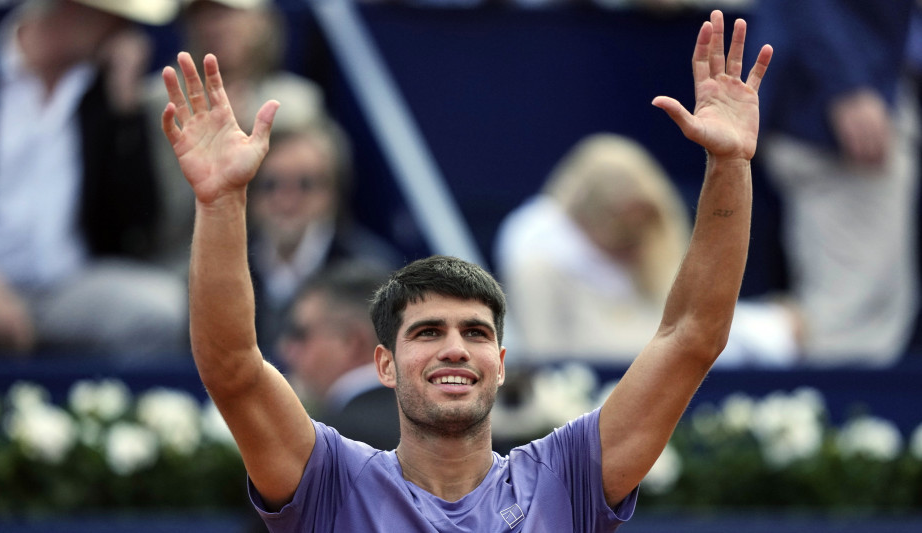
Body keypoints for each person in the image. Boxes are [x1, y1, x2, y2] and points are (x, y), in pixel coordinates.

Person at [160, 8, 770, 530]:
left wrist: (730, 164)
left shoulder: (568, 479)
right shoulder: (329, 480)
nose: (455, 348)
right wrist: (220, 202)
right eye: (428, 332)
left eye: (475, 333)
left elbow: (692, 334)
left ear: (501, 365)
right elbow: (233, 366)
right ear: (383, 363)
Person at [0, 0, 186, 358]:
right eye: (115, 18)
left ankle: (102, 410)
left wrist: (126, 110)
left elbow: (138, 224)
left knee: (162, 309)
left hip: (68, 285)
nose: (125, 32)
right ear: (70, 10)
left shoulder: (107, 90)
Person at [494, 133, 801, 366]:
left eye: (641, 233)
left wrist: (767, 327)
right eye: (623, 236)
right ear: (588, 219)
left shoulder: (646, 246)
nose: (636, 248)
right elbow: (558, 370)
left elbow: (672, 316)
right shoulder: (539, 267)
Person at [749, 0, 920, 366]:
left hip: (856, 96)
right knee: (852, 320)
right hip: (835, 120)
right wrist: (847, 83)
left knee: (872, 308)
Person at [144, 0, 326, 274]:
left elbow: (319, 204)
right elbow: (152, 215)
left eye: (226, 14)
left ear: (261, 22)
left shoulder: (298, 103)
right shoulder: (155, 101)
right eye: (201, 16)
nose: (214, 26)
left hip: (277, 262)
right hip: (182, 262)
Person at [248, 120, 403, 358]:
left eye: (305, 184)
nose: (286, 200)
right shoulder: (228, 264)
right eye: (271, 185)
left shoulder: (370, 273)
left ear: (333, 192)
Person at [278, 261, 399, 450]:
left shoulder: (324, 443)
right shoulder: (439, 425)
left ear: (354, 343)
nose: (286, 350)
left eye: (300, 334)